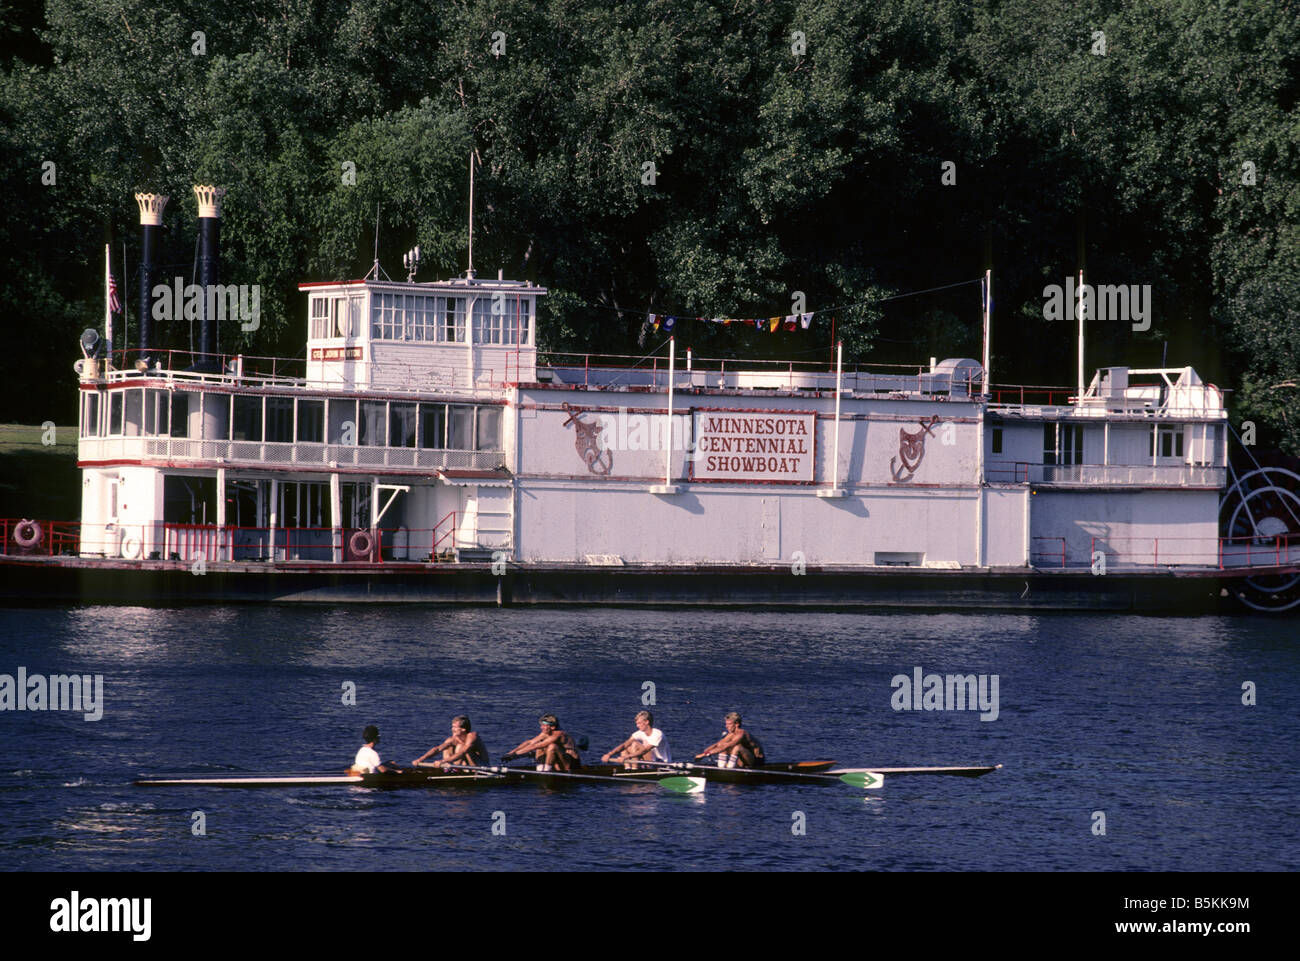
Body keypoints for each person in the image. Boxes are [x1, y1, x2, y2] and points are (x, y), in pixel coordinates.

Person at [502, 714, 582, 771]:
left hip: (570, 765)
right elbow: (530, 742)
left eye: (544, 725)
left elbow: (536, 746)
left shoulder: (558, 734)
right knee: (540, 747)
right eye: (541, 725)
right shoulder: (546, 733)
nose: (541, 727)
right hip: (559, 762)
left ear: (552, 727)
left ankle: (546, 771)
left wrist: (515, 755)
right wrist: (511, 752)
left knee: (551, 746)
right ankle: (540, 769)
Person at [412, 715, 490, 768]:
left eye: (455, 727)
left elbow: (462, 752)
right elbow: (438, 749)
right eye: (452, 727)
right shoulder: (453, 738)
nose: (452, 729)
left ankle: (466, 770)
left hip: (481, 766)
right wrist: (420, 759)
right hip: (464, 765)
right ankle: (451, 769)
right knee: (447, 745)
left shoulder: (472, 736)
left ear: (463, 729)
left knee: (461, 747)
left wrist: (442, 761)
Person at [601, 710, 671, 768]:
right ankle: (627, 768)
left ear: (647, 722)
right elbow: (625, 745)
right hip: (649, 760)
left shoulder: (658, 734)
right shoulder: (639, 733)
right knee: (626, 746)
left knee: (634, 744)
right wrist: (609, 754)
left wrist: (626, 757)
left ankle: (634, 769)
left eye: (639, 723)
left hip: (660, 763)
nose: (637, 726)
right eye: (637, 724)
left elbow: (645, 750)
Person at [695, 712, 764, 768]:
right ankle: (721, 767)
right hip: (743, 760)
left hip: (756, 762)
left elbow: (726, 746)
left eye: (729, 724)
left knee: (737, 747)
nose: (726, 726)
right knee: (722, 745)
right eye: (726, 724)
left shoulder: (742, 734)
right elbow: (718, 744)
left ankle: (729, 768)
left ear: (736, 724)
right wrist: (704, 753)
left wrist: (704, 755)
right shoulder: (731, 734)